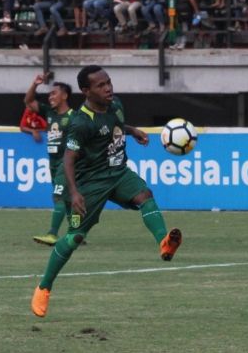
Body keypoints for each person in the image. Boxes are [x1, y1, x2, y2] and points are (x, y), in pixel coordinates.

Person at [31, 65, 182, 318]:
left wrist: (132, 132)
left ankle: (164, 243)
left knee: (145, 196)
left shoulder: (113, 106)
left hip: (118, 172)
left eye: (109, 82)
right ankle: (44, 287)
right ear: (86, 91)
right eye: (101, 85)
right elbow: (69, 158)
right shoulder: (80, 122)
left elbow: (115, 124)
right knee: (75, 238)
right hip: (90, 183)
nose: (108, 87)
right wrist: (75, 192)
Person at [23, 73, 74, 246]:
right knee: (65, 200)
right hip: (53, 162)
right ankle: (77, 232)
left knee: (59, 196)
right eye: (49, 94)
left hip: (67, 163)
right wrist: (35, 84)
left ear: (64, 95)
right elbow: (29, 102)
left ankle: (52, 234)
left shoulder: (74, 117)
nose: (50, 96)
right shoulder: (49, 113)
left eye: (54, 93)